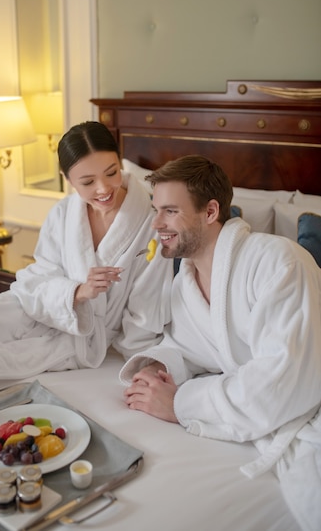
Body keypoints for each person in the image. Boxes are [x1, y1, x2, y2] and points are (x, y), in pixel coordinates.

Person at [120, 155, 321, 531]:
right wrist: (158, 368)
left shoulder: (280, 263)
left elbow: (281, 382)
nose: (156, 224)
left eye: (169, 211)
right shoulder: (187, 280)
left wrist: (180, 403)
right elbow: (190, 346)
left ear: (210, 211)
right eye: (155, 210)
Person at [0, 121, 173, 389]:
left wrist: (144, 363)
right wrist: (77, 292)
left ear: (119, 163)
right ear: (68, 180)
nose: (103, 189)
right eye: (88, 182)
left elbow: (145, 310)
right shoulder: (63, 213)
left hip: (81, 336)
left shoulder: (151, 225)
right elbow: (38, 276)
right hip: (38, 306)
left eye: (112, 172)